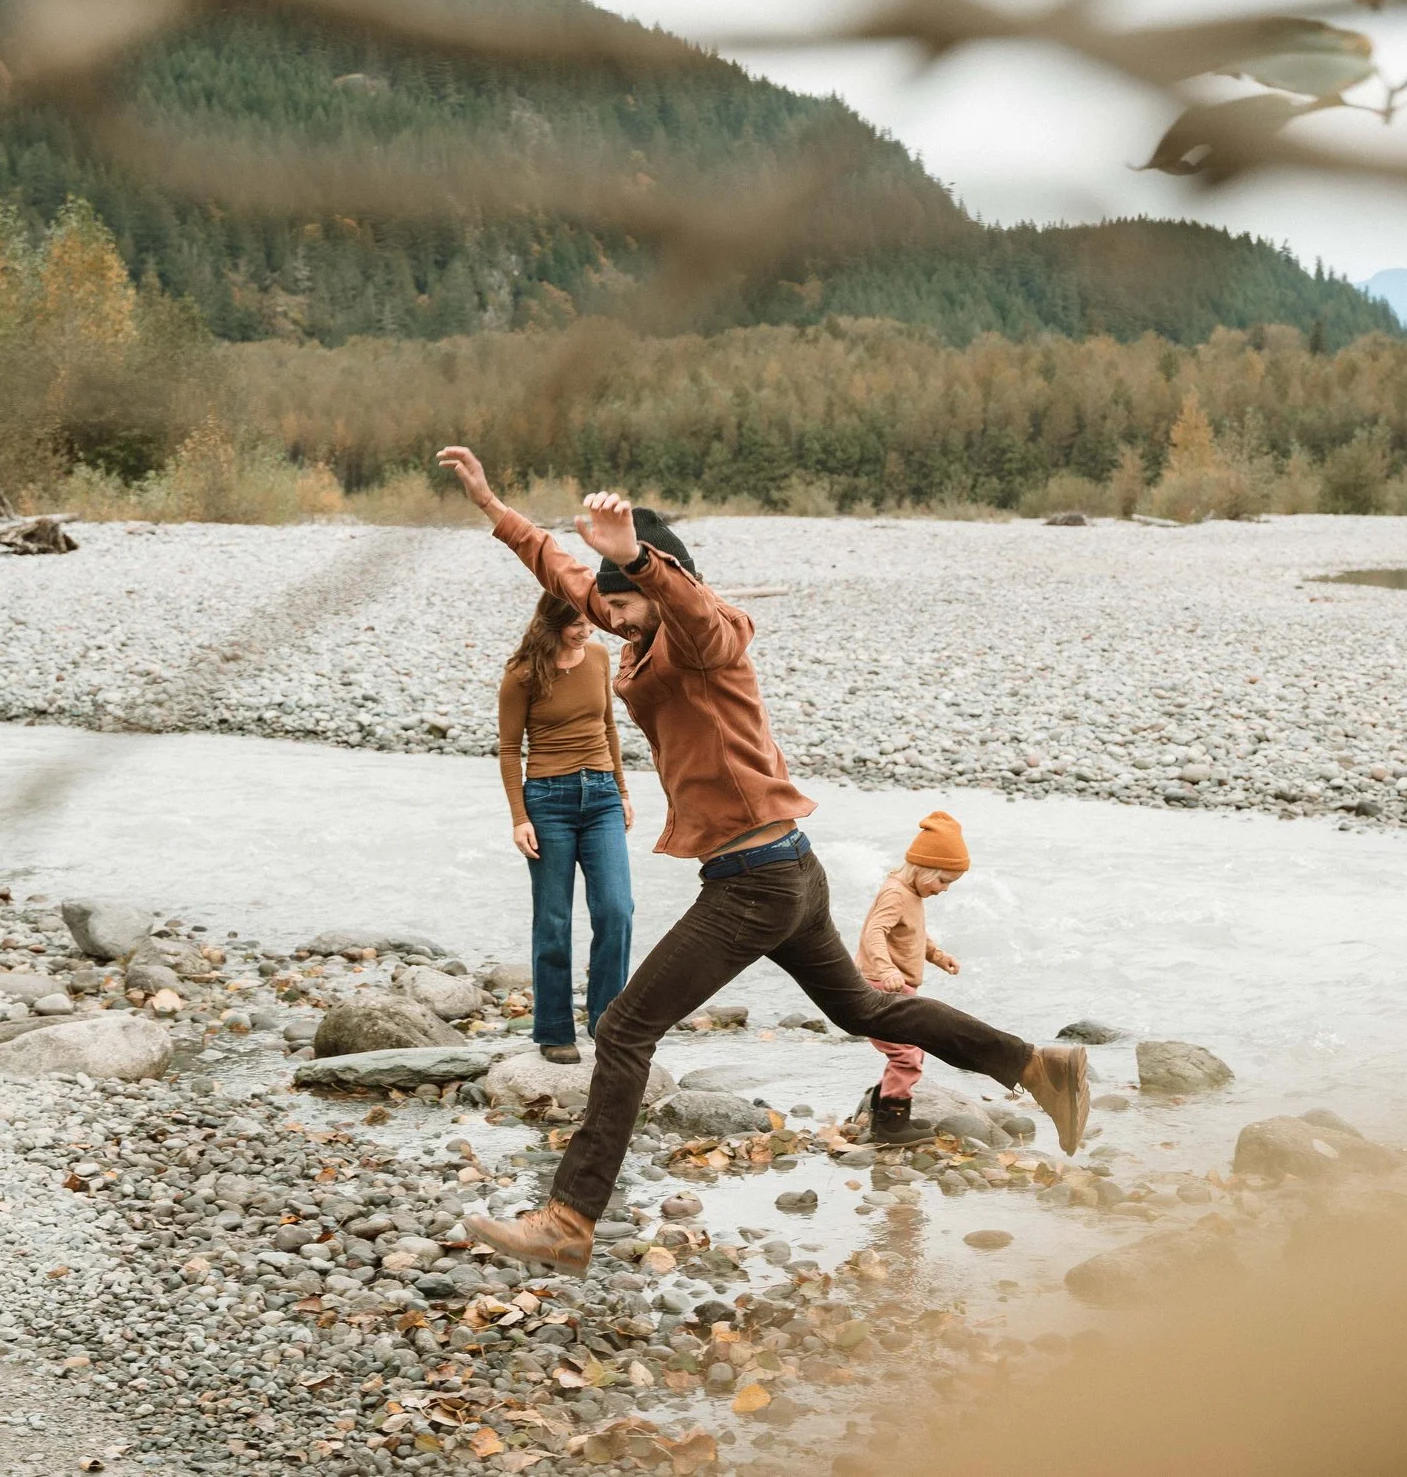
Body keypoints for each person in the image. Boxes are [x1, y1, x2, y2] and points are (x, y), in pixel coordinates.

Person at [435, 445, 1088, 1273]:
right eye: (610, 608)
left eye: (626, 604)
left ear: (658, 583)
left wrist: (637, 553)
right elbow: (568, 576)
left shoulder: (709, 637)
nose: (613, 620)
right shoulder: (630, 619)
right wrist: (495, 507)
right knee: (868, 1011)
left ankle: (569, 1217)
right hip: (790, 872)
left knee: (626, 1026)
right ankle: (1038, 1065)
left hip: (756, 883)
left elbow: (685, 606)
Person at [499, 592, 635, 1065]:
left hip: (600, 799)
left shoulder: (598, 656)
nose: (586, 631)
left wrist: (621, 791)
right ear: (551, 621)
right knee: (554, 921)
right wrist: (520, 818)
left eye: (588, 622)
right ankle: (555, 1029)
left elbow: (609, 728)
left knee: (617, 909)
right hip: (547, 803)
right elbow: (508, 750)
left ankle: (607, 1022)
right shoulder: (521, 673)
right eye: (575, 623)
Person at [852, 811, 972, 1145]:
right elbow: (875, 932)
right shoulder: (896, 893)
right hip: (881, 987)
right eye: (943, 881)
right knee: (906, 1053)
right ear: (923, 868)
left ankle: (883, 1109)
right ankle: (891, 1123)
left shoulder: (913, 893)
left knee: (912, 1049)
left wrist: (937, 956)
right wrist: (886, 969)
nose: (945, 889)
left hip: (899, 986)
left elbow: (914, 936)